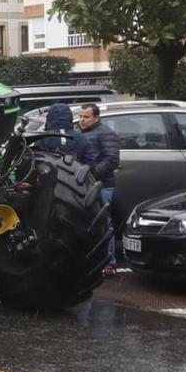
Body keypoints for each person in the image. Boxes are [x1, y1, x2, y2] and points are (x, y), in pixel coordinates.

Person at [75, 103, 122, 273]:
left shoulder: (106, 134)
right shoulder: (77, 133)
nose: (81, 120)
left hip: (102, 185)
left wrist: (91, 175)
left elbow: (111, 160)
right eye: (80, 116)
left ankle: (110, 262)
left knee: (104, 222)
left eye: (86, 117)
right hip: (83, 183)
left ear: (96, 118)